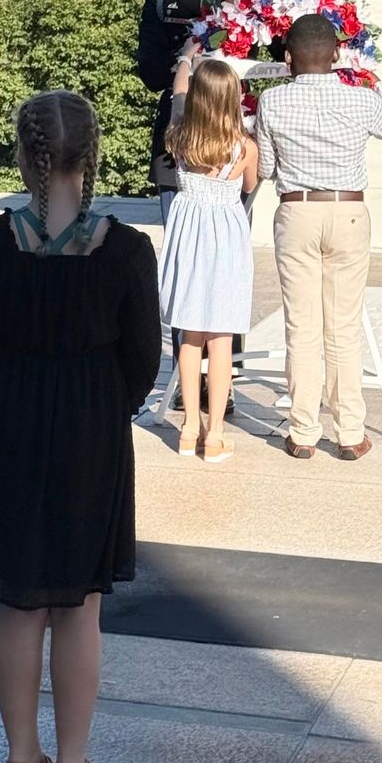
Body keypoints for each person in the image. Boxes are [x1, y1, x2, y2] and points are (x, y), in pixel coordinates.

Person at [0, 91, 161, 763]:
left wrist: (17, 395)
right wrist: (98, 403)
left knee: (18, 603)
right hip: (90, 432)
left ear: (23, 153)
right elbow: (142, 362)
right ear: (91, 154)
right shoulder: (127, 250)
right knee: (79, 608)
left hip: (10, 423)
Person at [255, 14, 382, 460]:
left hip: (297, 210)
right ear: (337, 54)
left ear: (287, 58)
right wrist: (375, 81)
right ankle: (349, 433)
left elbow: (264, 169)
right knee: (342, 328)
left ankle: (302, 432)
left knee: (301, 327)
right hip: (348, 210)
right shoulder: (358, 98)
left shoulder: (274, 102)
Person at [137, 0, 260, 414]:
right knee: (189, 266)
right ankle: (190, 386)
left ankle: (223, 385)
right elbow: (147, 71)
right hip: (183, 149)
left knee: (226, 270)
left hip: (233, 151)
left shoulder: (258, 1)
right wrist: (191, 65)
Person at [158, 43, 259, 462]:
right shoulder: (244, 147)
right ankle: (214, 433)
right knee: (220, 337)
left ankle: (188, 427)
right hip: (225, 238)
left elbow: (180, 92)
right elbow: (251, 186)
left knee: (190, 333)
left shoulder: (178, 135)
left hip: (189, 236)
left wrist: (185, 58)